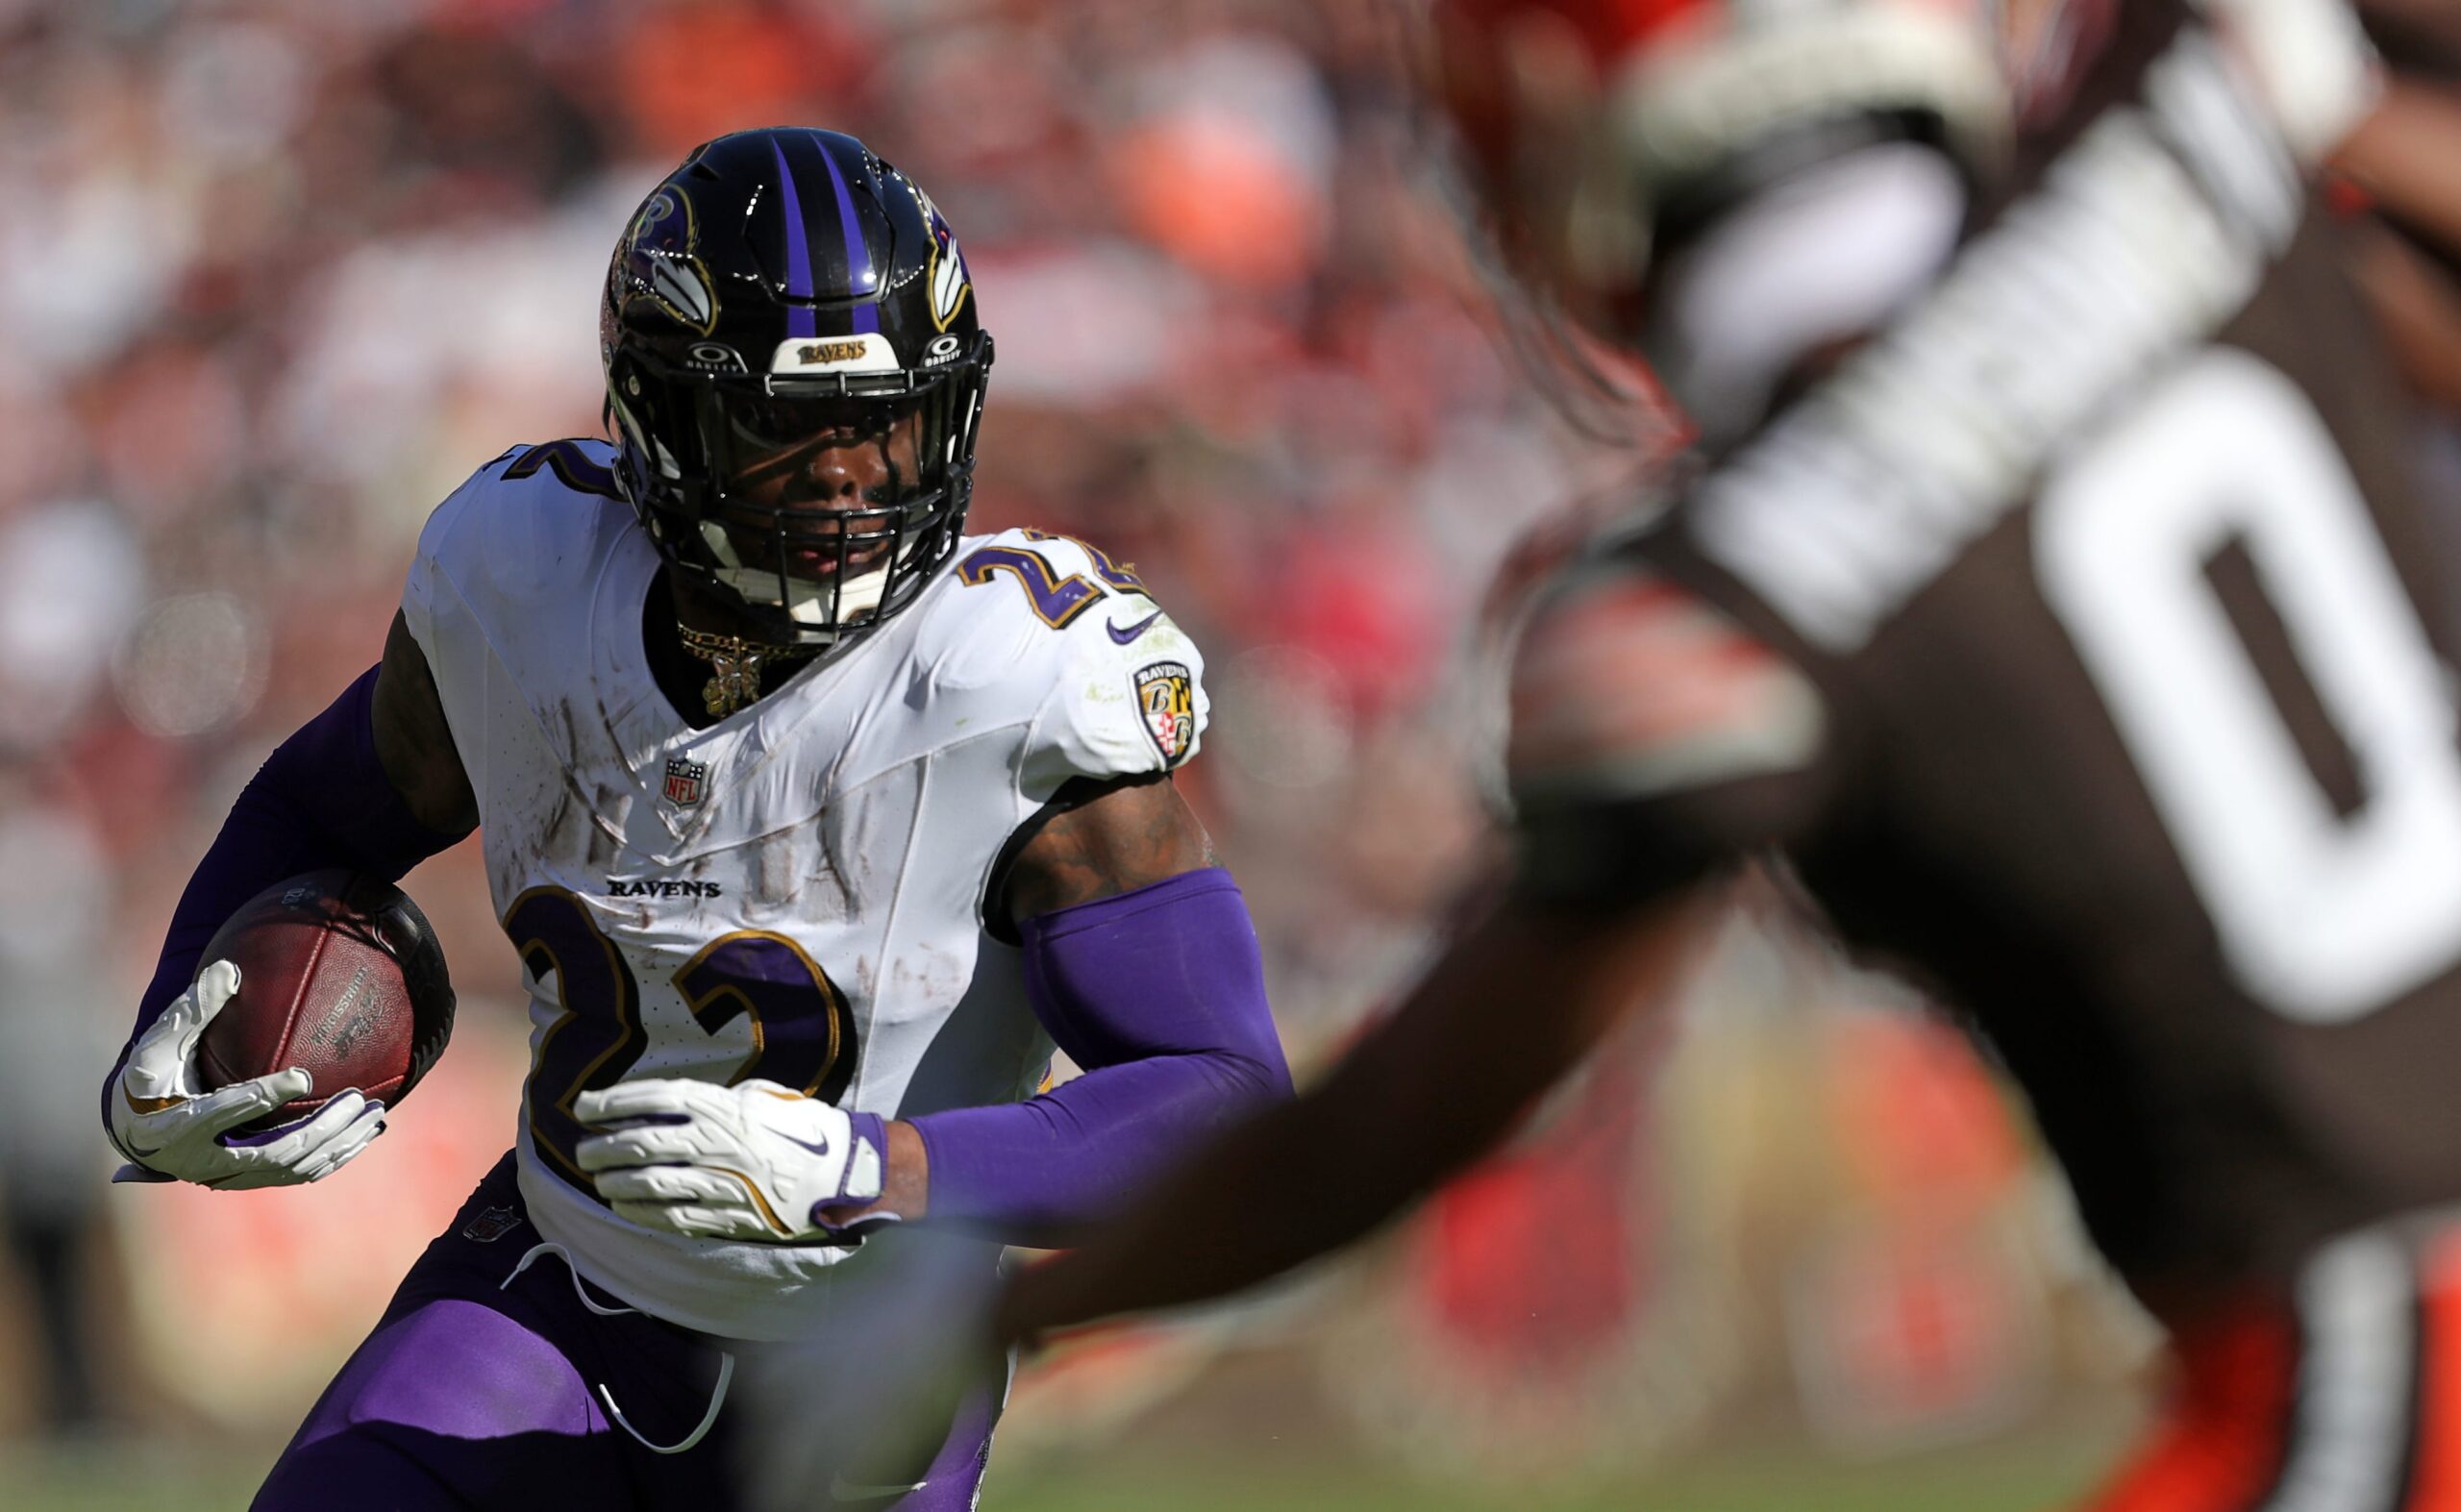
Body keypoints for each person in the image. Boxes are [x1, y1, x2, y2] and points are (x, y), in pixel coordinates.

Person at [979, 1, 2461, 1507]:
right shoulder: (2200, 115)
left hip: (2388, 1350)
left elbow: (1391, 1124)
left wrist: (992, 1305)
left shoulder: (1705, 611)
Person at [96, 126, 1291, 1511]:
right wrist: (181, 1027)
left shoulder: (1007, 685)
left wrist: (877, 1163)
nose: (850, 480)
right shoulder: (522, 584)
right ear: (664, 417)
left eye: (886, 422)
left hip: (864, 1355)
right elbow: (321, 804)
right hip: (555, 1283)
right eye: (791, 429)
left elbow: (1225, 1096)